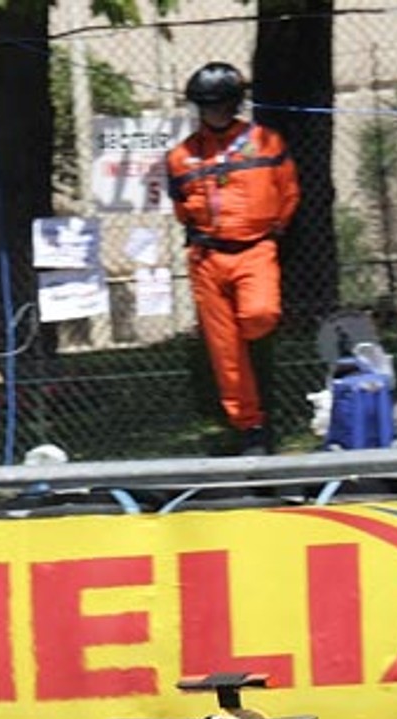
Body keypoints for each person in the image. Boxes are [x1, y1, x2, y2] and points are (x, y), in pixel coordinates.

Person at [166, 61, 300, 456]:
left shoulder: (266, 142)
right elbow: (180, 208)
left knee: (259, 315)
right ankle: (250, 428)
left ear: (235, 103)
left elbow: (288, 192)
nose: (212, 113)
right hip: (207, 256)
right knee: (225, 352)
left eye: (218, 104)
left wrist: (273, 229)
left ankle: (259, 359)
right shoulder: (181, 157)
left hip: (255, 248)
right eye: (205, 106)